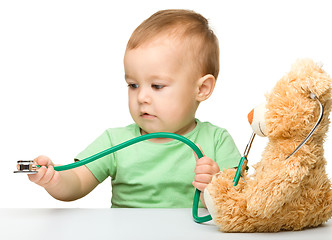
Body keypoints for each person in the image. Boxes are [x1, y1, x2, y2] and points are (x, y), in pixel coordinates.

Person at [27, 9, 241, 208]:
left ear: (202, 88)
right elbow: (76, 182)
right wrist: (54, 180)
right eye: (133, 85)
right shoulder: (115, 141)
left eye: (157, 86)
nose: (142, 97)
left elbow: (238, 203)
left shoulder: (217, 141)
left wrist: (213, 188)